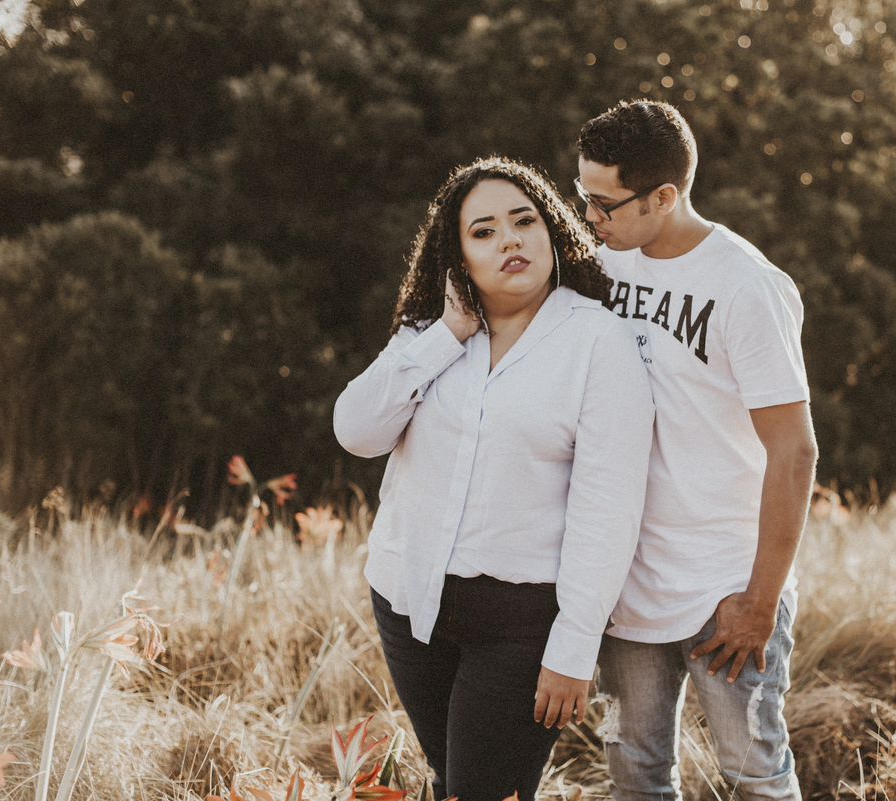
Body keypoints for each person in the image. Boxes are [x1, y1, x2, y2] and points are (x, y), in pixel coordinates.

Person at [333, 156, 654, 801]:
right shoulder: (429, 331)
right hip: (408, 602)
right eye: (483, 231)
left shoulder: (599, 342)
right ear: (458, 257)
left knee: (486, 791)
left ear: (551, 233)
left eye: (523, 221)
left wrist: (573, 645)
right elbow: (357, 431)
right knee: (452, 782)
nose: (509, 240)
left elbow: (608, 509)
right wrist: (448, 334)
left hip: (521, 623)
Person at [575, 100, 818, 800]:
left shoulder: (746, 286)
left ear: (663, 196)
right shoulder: (600, 264)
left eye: (604, 203)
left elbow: (795, 452)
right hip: (626, 584)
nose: (589, 217)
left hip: (725, 586)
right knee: (635, 777)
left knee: (754, 775)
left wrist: (760, 601)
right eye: (582, 195)